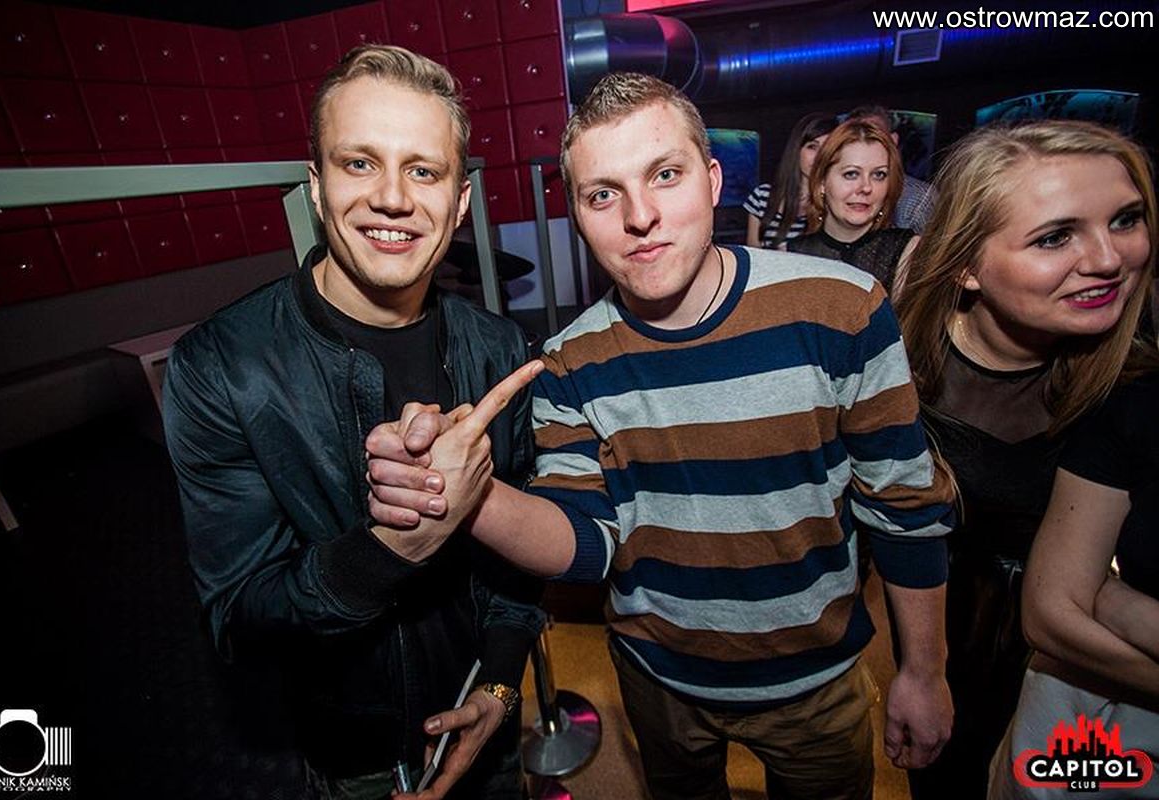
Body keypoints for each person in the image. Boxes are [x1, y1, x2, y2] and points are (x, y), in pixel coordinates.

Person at [364, 72, 957, 800]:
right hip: (658, 681)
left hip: (816, 680)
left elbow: (904, 504)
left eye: (665, 175)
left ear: (712, 181)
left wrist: (923, 671)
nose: (639, 216)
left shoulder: (841, 308)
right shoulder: (570, 361)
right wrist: (468, 495)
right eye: (602, 194)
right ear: (577, 216)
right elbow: (586, 541)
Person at [162, 45, 544, 800]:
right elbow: (239, 619)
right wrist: (394, 547)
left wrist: (500, 686)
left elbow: (521, 562)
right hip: (358, 764)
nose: (393, 198)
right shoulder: (224, 366)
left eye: (423, 170)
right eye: (360, 163)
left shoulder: (499, 348)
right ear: (316, 185)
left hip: (489, 720)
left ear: (460, 202)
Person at [894, 119, 1156, 799]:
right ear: (966, 266)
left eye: (1125, 219)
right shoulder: (897, 370)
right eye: (1055, 237)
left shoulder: (1138, 380)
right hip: (939, 639)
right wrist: (917, 671)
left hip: (1081, 662)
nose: (1108, 259)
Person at [986, 363, 1159, 800]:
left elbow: (1087, 593)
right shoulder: (1138, 401)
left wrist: (1124, 608)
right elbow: (1050, 610)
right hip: (1097, 723)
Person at [787, 119, 919, 298]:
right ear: (822, 182)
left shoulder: (907, 251)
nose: (866, 187)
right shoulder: (793, 255)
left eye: (879, 175)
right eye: (851, 174)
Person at [743, 111, 836, 248]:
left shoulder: (837, 201)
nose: (819, 156)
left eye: (827, 148)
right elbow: (753, 254)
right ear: (797, 150)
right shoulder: (762, 197)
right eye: (812, 147)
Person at [846, 105, 935, 233]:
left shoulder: (918, 199)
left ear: (893, 139)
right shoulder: (834, 191)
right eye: (853, 137)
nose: (863, 141)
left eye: (874, 135)